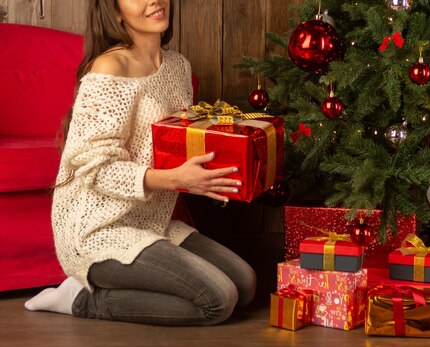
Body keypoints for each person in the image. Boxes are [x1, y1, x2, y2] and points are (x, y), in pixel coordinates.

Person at [24, 0, 256, 326]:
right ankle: (79, 299)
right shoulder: (110, 68)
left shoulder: (178, 66)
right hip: (97, 230)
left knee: (244, 285)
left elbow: (174, 143)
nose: (154, 0)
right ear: (115, 11)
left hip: (150, 224)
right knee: (218, 300)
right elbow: (94, 167)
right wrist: (177, 179)